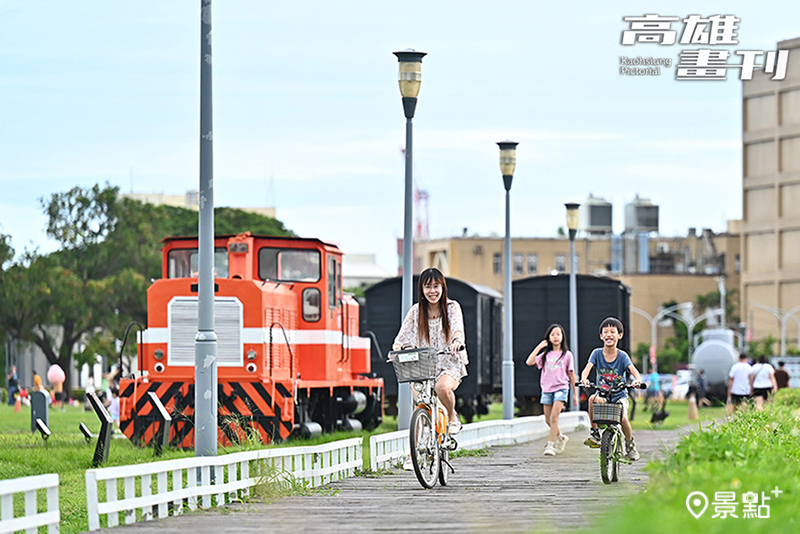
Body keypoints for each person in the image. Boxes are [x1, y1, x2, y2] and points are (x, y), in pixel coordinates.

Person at [392, 267, 468, 436]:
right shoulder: (415, 311)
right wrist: (397, 351)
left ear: (443, 287)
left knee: (442, 387)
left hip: (448, 362)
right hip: (422, 367)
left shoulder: (452, 307)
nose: (432, 291)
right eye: (427, 287)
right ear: (422, 289)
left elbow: (457, 329)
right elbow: (402, 338)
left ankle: (452, 415)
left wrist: (456, 341)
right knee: (419, 406)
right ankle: (413, 458)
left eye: (436, 286)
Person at [579, 317, 643, 461]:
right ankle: (595, 433)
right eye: (605, 332)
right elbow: (586, 369)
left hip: (619, 395)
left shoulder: (622, 356)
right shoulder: (596, 353)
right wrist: (584, 379)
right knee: (592, 399)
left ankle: (630, 444)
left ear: (620, 335)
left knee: (623, 417)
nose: (609, 334)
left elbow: (633, 370)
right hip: (602, 394)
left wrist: (638, 380)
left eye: (612, 332)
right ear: (601, 336)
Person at [526, 324, 576, 456]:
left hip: (561, 388)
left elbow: (572, 375)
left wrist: (575, 394)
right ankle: (561, 437)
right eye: (552, 334)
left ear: (562, 337)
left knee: (554, 417)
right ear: (548, 337)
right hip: (547, 390)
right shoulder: (545, 355)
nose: (555, 337)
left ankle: (550, 445)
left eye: (558, 334)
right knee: (548, 419)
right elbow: (529, 362)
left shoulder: (567, 355)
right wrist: (540, 347)